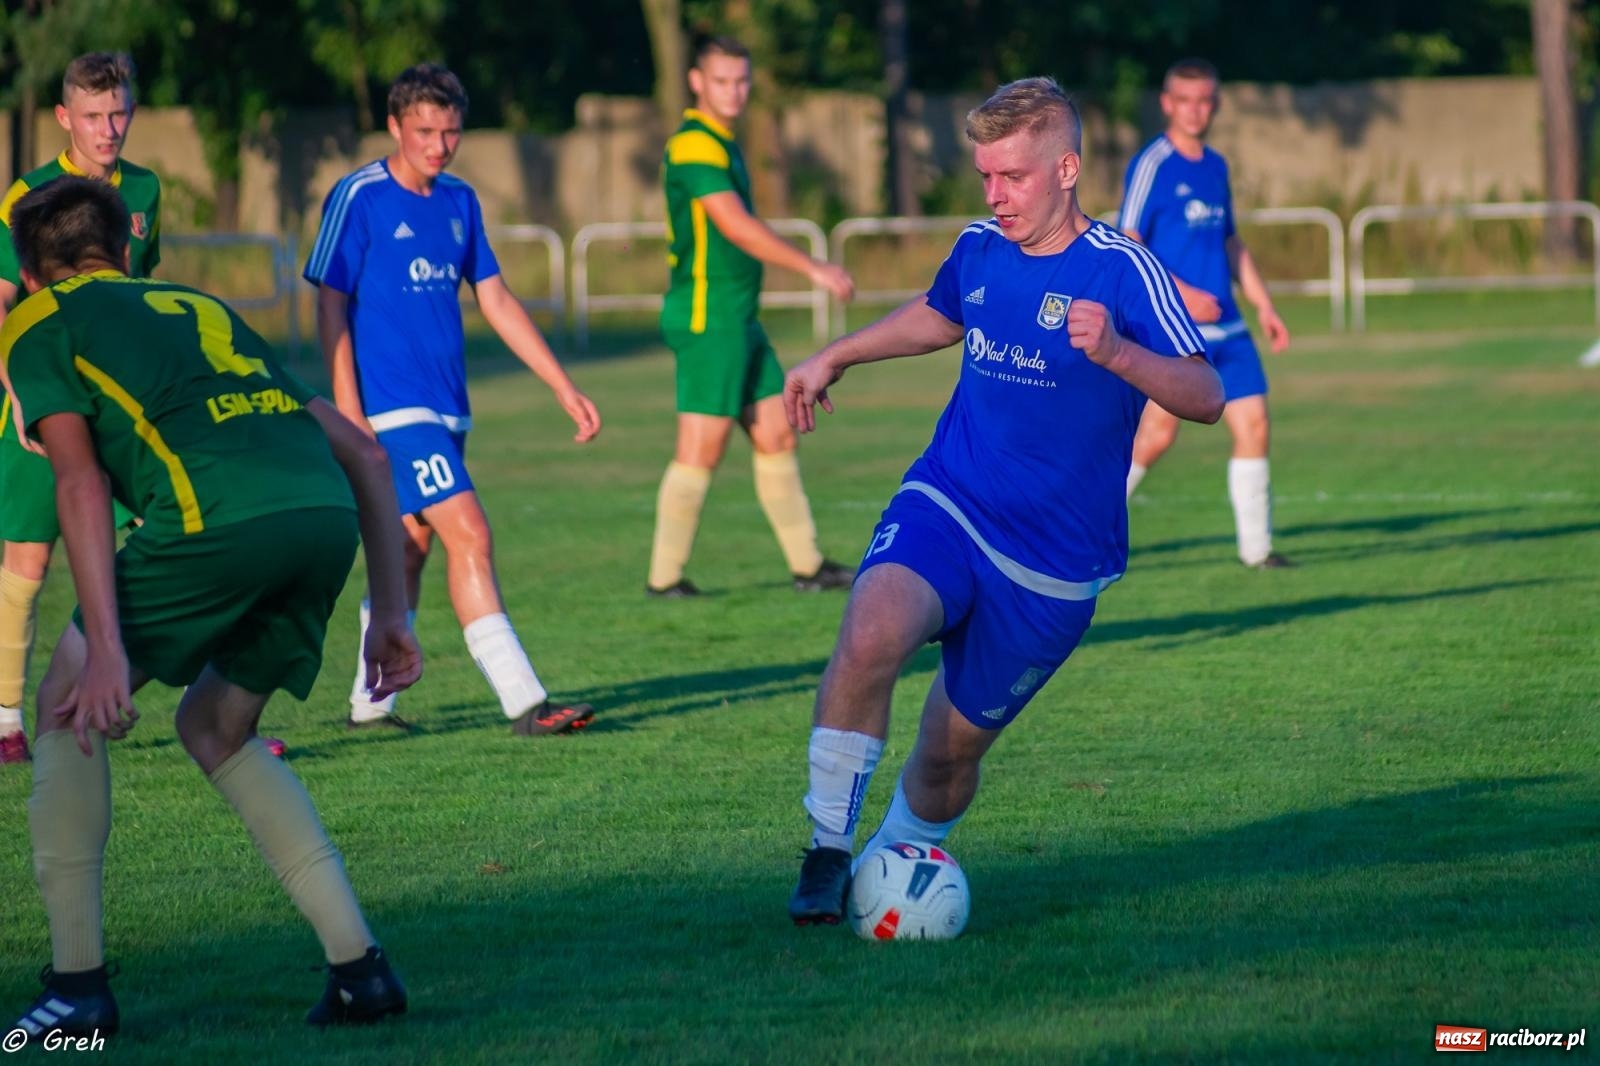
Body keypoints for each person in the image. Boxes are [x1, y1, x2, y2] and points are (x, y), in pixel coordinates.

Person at [782, 77, 1224, 924]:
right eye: (985, 176)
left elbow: (1206, 394)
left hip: (1055, 566)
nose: (994, 195)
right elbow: (939, 314)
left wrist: (1121, 354)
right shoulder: (981, 246)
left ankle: (890, 863)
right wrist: (839, 353)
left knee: (948, 757)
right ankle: (828, 850)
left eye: (1011, 177)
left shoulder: (1125, 271)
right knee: (872, 625)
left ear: (1065, 169)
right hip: (953, 501)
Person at [2, 175, 422, 1034]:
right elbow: (366, 456)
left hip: (213, 518)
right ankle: (360, 970)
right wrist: (391, 614)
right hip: (320, 514)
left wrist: (108, 649)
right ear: (124, 250)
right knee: (215, 729)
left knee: (63, 706)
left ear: (31, 272)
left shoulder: (35, 321)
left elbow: (79, 483)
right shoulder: (200, 304)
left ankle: (77, 988)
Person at [304, 63, 599, 736]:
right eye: (425, 131)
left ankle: (370, 706)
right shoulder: (360, 197)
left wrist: (562, 384)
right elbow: (329, 302)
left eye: (451, 131)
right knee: (471, 532)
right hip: (391, 407)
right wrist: (350, 411)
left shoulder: (461, 201)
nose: (438, 145)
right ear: (394, 126)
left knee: (407, 550)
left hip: (449, 406)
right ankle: (526, 702)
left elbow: (494, 297)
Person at [646, 35, 857, 598]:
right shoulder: (694, 145)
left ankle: (808, 567)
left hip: (740, 319)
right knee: (701, 448)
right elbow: (733, 225)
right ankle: (664, 579)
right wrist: (813, 267)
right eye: (721, 81)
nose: (734, 91)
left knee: (776, 434)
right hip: (707, 317)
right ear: (696, 82)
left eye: (741, 80)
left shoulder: (723, 142)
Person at [0, 52, 160, 765]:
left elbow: (142, 299)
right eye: (93, 116)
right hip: (47, 403)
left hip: (117, 407)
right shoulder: (25, 197)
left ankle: (215, 709)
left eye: (119, 112)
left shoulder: (145, 191)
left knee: (164, 546)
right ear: (65, 118)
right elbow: (5, 307)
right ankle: (6, 724)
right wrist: (21, 402)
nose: (109, 127)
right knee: (28, 562)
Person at [1120, 58, 1293, 568]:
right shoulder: (1151, 164)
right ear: (1167, 104)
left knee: (1255, 425)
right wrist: (1180, 293)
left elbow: (1231, 241)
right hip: (1177, 329)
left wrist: (1264, 304)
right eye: (1186, 100)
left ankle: (1257, 551)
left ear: (1214, 104)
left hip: (1231, 328)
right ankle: (1085, 528)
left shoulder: (1216, 166)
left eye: (1205, 100)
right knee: (1156, 436)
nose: (1197, 110)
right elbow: (1126, 243)